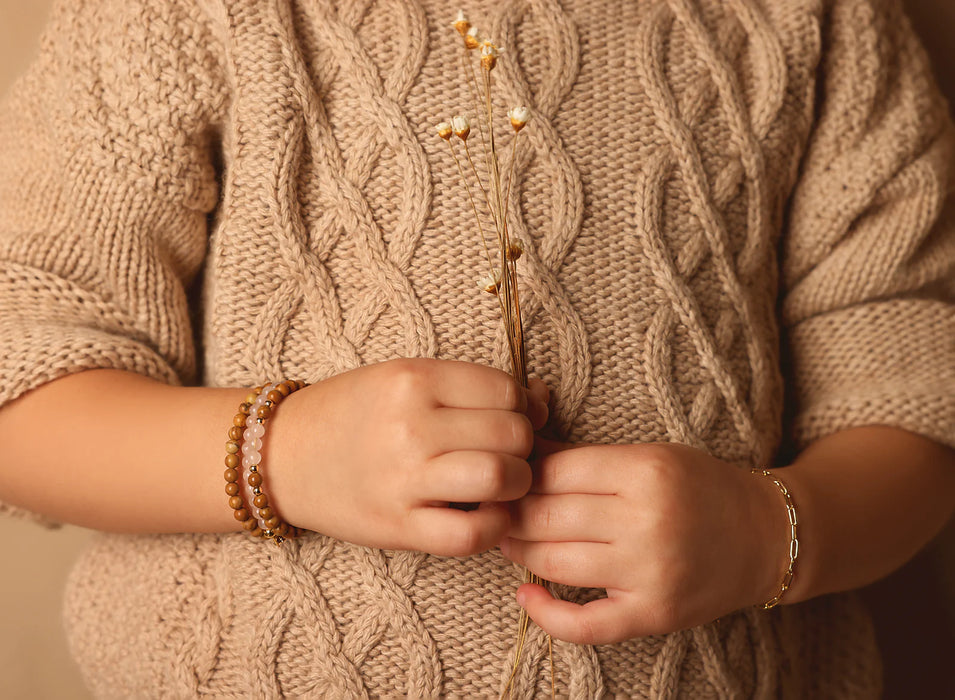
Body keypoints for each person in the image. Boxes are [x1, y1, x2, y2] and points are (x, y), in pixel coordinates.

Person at [0, 0, 953, 696]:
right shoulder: (177, 15)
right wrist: (285, 452)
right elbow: (25, 383)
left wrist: (761, 534)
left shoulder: (821, 21)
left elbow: (914, 399)